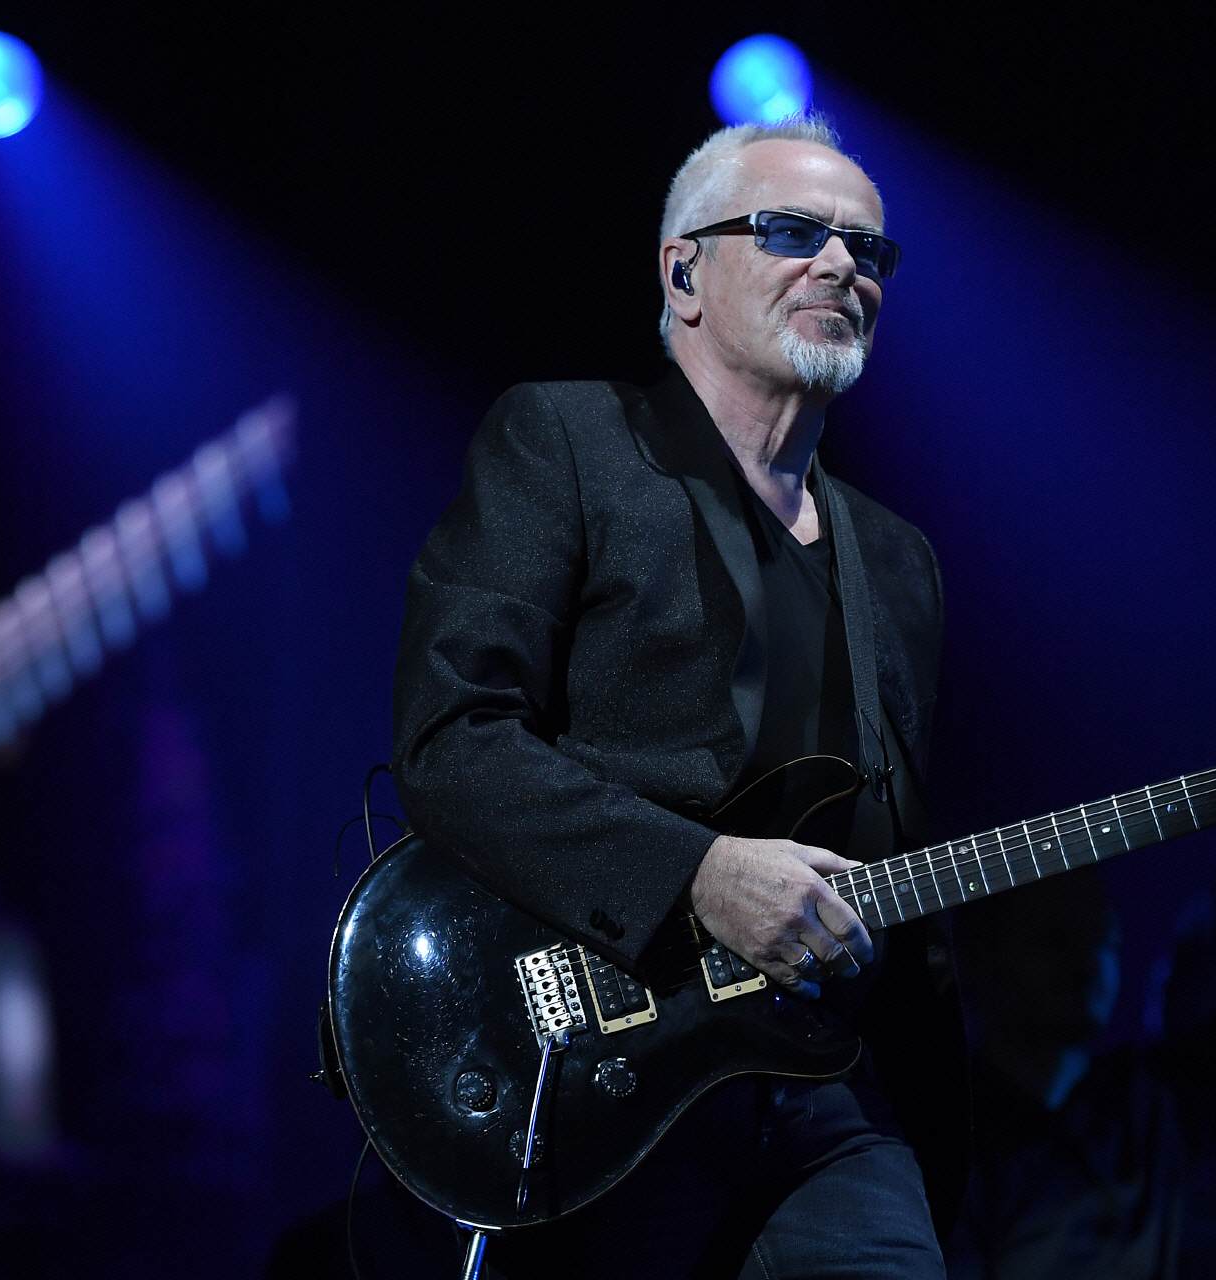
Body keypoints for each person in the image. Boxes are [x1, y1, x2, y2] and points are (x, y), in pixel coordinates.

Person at [390, 115, 962, 1278]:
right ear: (684, 272)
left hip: (828, 1091)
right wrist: (696, 872)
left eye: (868, 249)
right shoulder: (569, 441)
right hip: (607, 1066)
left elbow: (888, 839)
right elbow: (452, 737)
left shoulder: (901, 561)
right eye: (794, 231)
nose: (842, 265)